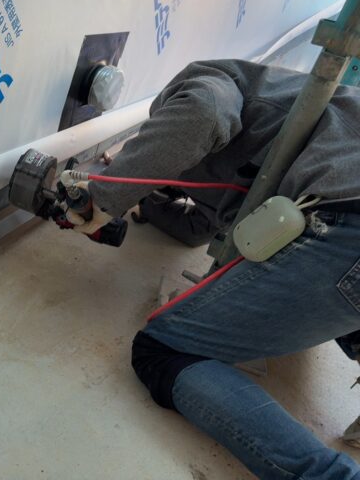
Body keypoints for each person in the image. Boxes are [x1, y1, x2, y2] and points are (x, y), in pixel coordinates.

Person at [66, 60, 360, 479]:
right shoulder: (274, 134)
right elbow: (198, 229)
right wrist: (147, 196)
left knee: (163, 351)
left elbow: (200, 114)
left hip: (345, 222)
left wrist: (106, 193)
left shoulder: (216, 78)